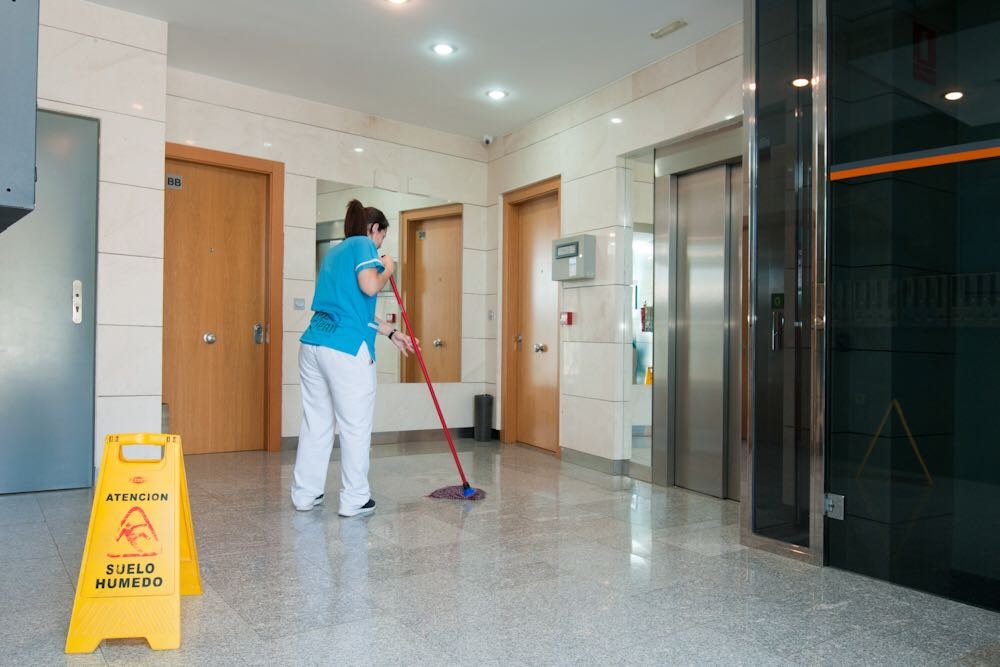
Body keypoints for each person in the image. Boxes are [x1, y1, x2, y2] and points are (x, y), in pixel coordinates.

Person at [290, 199, 416, 517]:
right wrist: (389, 268)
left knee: (317, 422)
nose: (380, 246)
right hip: (345, 351)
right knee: (355, 425)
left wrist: (391, 332)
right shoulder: (362, 243)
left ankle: (305, 494)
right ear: (373, 229)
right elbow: (370, 286)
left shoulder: (334, 253)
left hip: (314, 343)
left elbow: (351, 310)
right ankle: (355, 499)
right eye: (382, 237)